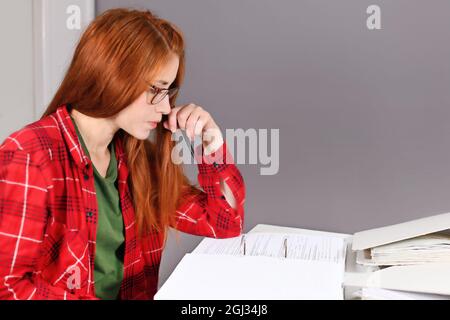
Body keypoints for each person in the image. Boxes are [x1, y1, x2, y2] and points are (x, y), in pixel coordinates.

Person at [0, 8, 245, 300]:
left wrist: (211, 143)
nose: (166, 107)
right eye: (156, 89)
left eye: (169, 92)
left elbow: (225, 223)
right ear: (113, 76)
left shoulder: (137, 158)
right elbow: (8, 286)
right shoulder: (30, 156)